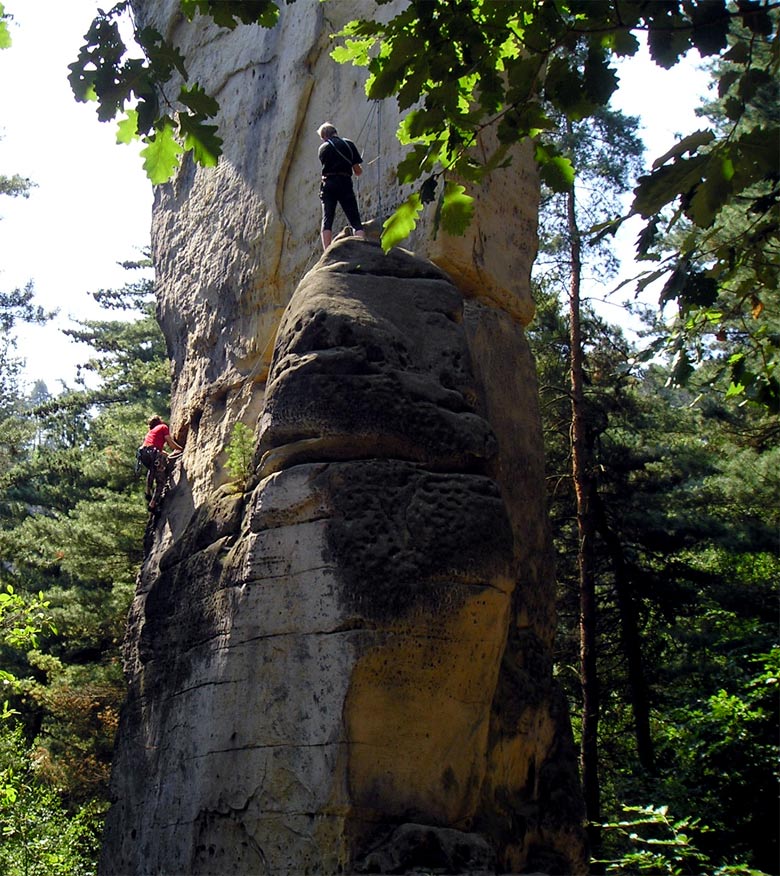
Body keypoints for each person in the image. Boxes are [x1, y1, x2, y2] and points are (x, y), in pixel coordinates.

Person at [317, 122, 365, 250]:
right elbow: (358, 171)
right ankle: (362, 248)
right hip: (345, 182)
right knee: (355, 219)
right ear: (335, 132)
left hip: (329, 183)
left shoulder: (323, 148)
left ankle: (326, 251)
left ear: (324, 137)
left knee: (327, 218)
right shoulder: (348, 144)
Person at [138, 415, 183, 510]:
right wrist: (181, 449)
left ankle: (148, 491)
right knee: (161, 481)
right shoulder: (163, 427)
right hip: (153, 453)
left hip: (143, 453)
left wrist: (164, 454)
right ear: (160, 421)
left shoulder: (151, 432)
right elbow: (170, 443)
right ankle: (153, 504)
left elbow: (152, 446)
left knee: (152, 468)